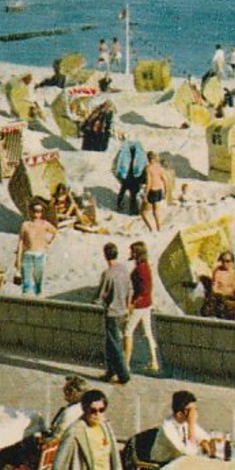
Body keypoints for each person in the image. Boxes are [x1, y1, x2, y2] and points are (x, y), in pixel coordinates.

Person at [95, 242, 132, 384]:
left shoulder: (108, 274)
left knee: (114, 345)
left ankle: (123, 375)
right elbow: (130, 290)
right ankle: (110, 372)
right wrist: (128, 308)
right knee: (111, 344)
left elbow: (100, 295)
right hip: (123, 311)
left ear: (105, 255)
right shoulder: (124, 270)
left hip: (112, 312)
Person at [150, 390, 219, 464]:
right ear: (180, 414)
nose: (194, 414)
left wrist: (203, 442)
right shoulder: (168, 428)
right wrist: (191, 425)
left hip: (179, 461)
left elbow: (205, 437)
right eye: (191, 411)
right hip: (163, 465)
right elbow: (188, 453)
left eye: (195, 409)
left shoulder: (184, 422)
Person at [125, 240, 160, 374]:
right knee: (147, 333)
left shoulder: (141, 269)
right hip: (147, 303)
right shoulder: (145, 266)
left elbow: (143, 290)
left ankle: (126, 363)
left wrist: (133, 304)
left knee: (128, 331)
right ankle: (154, 361)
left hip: (140, 305)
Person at [14, 201, 60, 296]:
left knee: (38, 279)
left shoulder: (44, 224)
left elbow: (55, 232)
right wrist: (18, 259)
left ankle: (37, 296)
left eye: (39, 211)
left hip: (40, 253)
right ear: (30, 212)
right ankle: (25, 297)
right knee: (26, 280)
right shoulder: (25, 225)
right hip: (28, 254)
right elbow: (21, 242)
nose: (36, 214)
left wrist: (48, 241)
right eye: (34, 211)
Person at [112, 138, 148, 214]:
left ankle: (119, 206)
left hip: (126, 176)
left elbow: (118, 163)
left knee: (123, 191)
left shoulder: (124, 152)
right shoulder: (140, 153)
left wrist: (119, 174)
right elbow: (143, 165)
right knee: (133, 195)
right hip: (135, 177)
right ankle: (133, 211)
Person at [202, 251, 235, 318]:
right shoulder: (218, 272)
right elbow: (214, 289)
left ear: (232, 262)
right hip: (221, 299)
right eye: (223, 261)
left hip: (232, 299)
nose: (224, 263)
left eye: (227, 261)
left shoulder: (234, 273)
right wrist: (223, 293)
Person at [142, 151, 168, 233]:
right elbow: (165, 180)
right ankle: (159, 228)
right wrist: (166, 191)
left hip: (151, 191)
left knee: (143, 212)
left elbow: (149, 182)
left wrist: (145, 194)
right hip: (159, 190)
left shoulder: (148, 168)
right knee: (156, 211)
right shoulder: (159, 168)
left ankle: (150, 228)